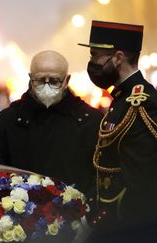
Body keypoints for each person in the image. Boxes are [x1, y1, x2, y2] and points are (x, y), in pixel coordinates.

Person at [79, 20, 157, 241]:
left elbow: (142, 178)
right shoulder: (122, 98)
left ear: (118, 57)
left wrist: (116, 225)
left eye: (95, 55)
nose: (91, 62)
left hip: (130, 226)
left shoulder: (142, 102)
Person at [0, 50, 103, 195]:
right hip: (19, 214)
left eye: (54, 81)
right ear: (30, 78)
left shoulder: (90, 121)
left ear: (66, 80)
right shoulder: (7, 121)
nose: (46, 86)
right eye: (40, 80)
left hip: (77, 213)